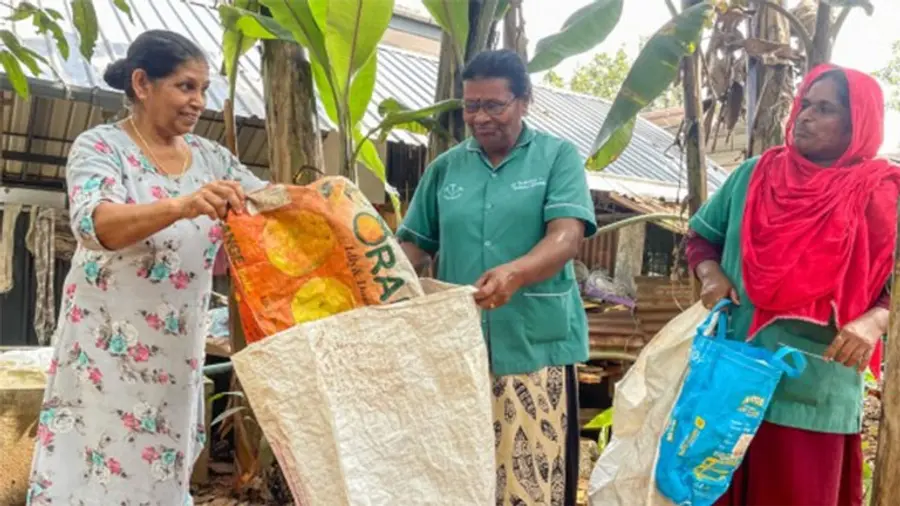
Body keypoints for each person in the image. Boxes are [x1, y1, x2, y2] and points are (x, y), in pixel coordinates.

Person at [27, 30, 266, 504]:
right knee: (96, 466)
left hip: (175, 357)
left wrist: (330, 201)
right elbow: (96, 226)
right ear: (141, 83)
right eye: (185, 86)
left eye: (203, 88)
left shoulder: (214, 159)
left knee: (160, 468)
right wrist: (182, 206)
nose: (199, 101)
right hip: (104, 352)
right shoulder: (102, 147)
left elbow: (270, 204)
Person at [686, 64, 900, 506]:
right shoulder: (753, 176)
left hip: (814, 391)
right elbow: (701, 237)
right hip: (729, 377)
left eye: (825, 109)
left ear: (858, 123)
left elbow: (892, 288)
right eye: (805, 103)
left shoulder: (882, 196)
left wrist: (874, 322)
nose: (805, 116)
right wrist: (711, 275)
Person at [397, 49, 597, 506]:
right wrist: (373, 276)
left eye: (494, 105)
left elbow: (566, 237)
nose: (481, 118)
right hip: (459, 348)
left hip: (534, 345)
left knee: (533, 477)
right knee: (462, 477)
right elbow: (413, 246)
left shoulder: (556, 158)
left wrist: (515, 272)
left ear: (524, 100)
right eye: (471, 106)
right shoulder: (446, 168)